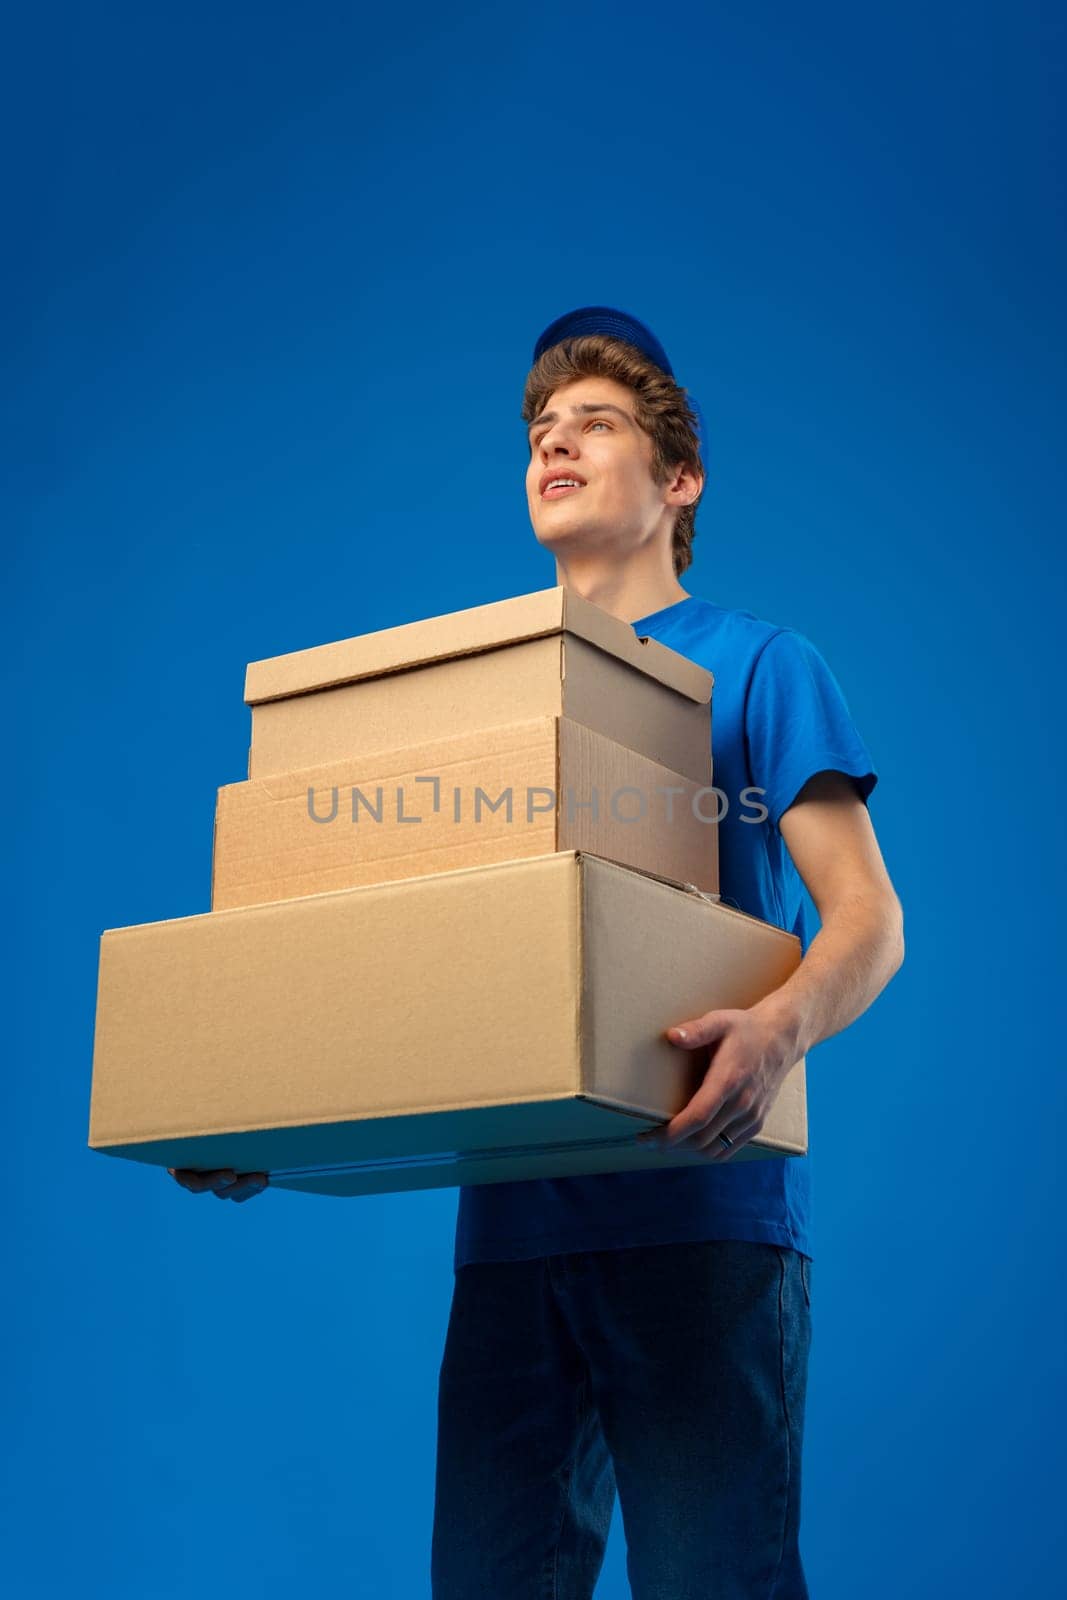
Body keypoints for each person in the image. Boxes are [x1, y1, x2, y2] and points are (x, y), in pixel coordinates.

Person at [171, 306, 905, 1599]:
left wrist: (779, 1030)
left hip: (700, 1212)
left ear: (679, 481)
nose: (553, 443)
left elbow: (868, 920)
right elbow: (432, 955)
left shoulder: (760, 667)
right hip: (512, 1232)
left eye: (596, 423)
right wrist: (276, 1113)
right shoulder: (490, 689)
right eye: (538, 431)